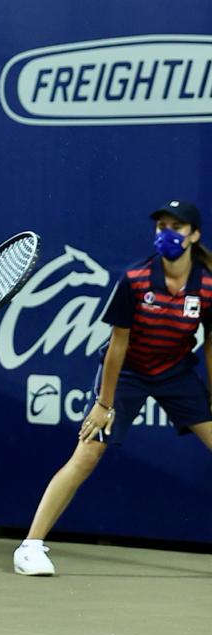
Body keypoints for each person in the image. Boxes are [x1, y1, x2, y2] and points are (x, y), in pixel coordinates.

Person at [14, 200, 212, 577]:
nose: (167, 234)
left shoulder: (207, 286)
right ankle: (29, 548)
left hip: (175, 372)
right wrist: (104, 404)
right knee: (88, 453)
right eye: (162, 227)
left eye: (177, 227)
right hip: (127, 373)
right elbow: (118, 346)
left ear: (194, 235)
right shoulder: (135, 280)